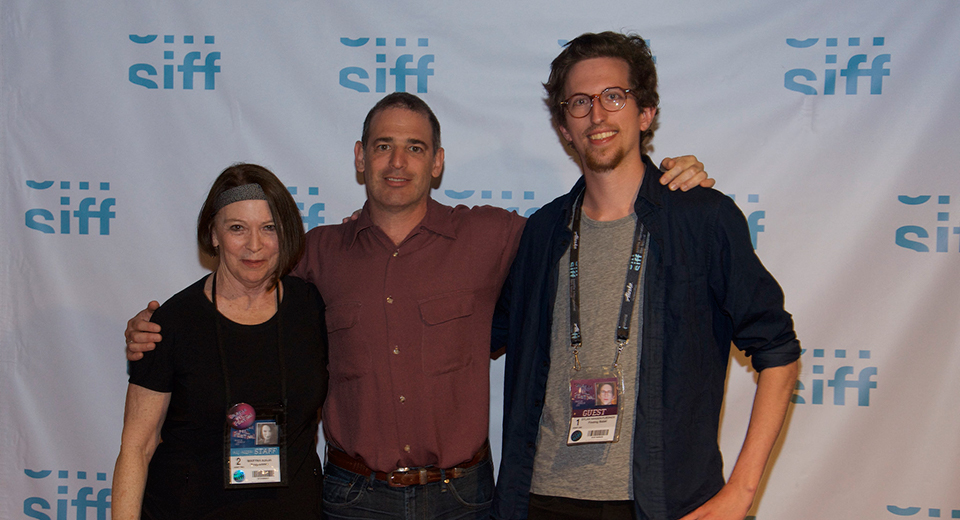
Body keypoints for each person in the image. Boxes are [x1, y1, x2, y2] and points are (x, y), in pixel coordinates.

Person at [125, 94, 713, 519]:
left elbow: (594, 215)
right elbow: (239, 289)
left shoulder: (495, 235)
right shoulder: (317, 252)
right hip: (353, 498)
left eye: (414, 148)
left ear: (437, 162)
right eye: (383, 146)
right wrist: (156, 330)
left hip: (463, 496)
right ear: (360, 157)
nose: (397, 163)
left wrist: (663, 178)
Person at [492, 32, 801, 520]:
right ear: (563, 127)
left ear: (645, 113)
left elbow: (779, 353)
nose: (597, 114)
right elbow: (481, 333)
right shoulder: (543, 232)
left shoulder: (703, 219)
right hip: (540, 502)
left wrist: (740, 494)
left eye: (614, 96)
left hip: (663, 504)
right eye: (579, 102)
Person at [112, 164, 328, 520]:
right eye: (237, 228)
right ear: (214, 233)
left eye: (269, 228)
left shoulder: (311, 307)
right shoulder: (171, 324)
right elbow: (137, 446)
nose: (254, 245)